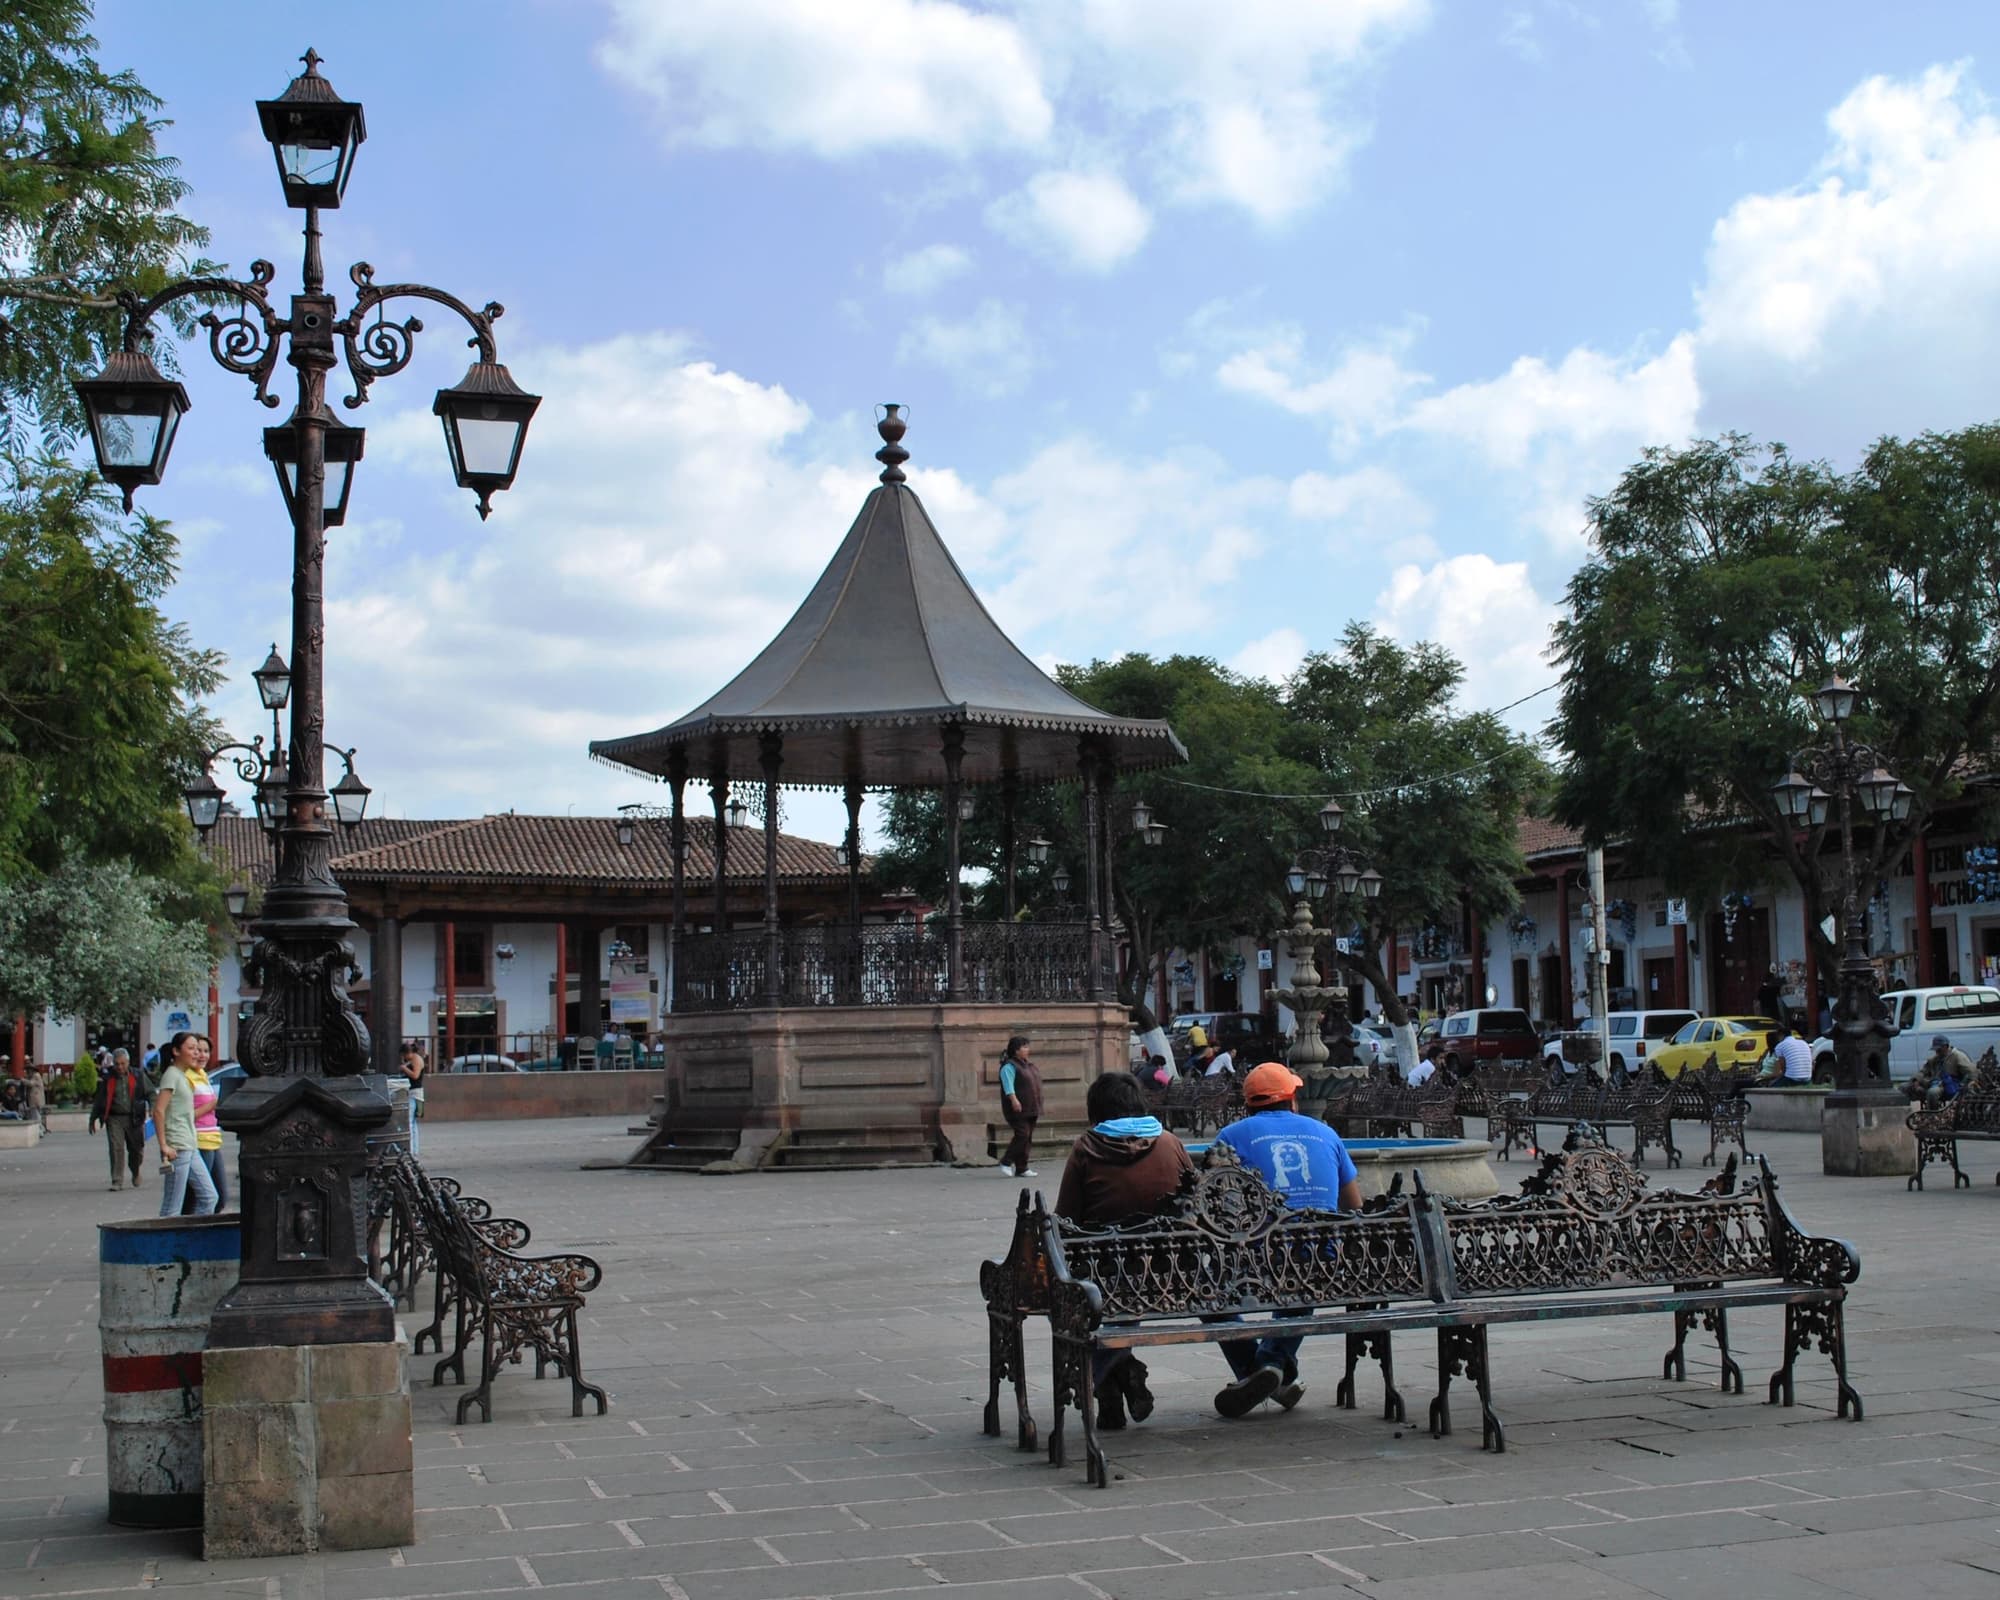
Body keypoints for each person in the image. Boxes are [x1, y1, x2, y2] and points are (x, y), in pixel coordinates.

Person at [1209, 1062, 1362, 1418]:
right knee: (1305, 1265)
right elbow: (1354, 1205)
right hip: (1322, 1260)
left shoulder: (1231, 1135)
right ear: (1293, 1098)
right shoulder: (1324, 1132)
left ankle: (1261, 1368)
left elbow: (1215, 1207)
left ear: (1248, 1105)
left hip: (1258, 1261)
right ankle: (1273, 1366)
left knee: (1212, 1293)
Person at [1054, 1073, 1195, 1430]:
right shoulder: (1171, 1143)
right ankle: (1118, 1385)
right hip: (1172, 1270)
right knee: (1125, 1294)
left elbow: (1067, 1218)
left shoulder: (1086, 1147)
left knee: (1099, 1302)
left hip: (1106, 1271)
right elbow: (1195, 1202)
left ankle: (1117, 1379)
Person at [152, 1032, 218, 1217]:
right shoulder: (171, 1075)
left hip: (190, 1144)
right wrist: (164, 1145)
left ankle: (193, 1240)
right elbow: (158, 1110)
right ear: (176, 1051)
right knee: (172, 1207)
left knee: (209, 1197)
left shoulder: (183, 1076)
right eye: (191, 1049)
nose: (196, 1053)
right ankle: (166, 1244)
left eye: (197, 1049)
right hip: (177, 1146)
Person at [99, 1049, 149, 1190]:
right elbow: (100, 1099)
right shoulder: (109, 1078)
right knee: (116, 1149)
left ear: (128, 1062)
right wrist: (94, 1118)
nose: (120, 1067)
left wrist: (153, 1107)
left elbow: (151, 1093)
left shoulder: (138, 1075)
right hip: (115, 1118)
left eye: (122, 1064)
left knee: (136, 1150)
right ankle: (117, 1180)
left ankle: (135, 1171)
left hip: (134, 1117)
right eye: (117, 1064)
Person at [996, 1034, 1040, 1178]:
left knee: (1028, 1137)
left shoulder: (1028, 1065)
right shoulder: (1009, 1066)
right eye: (1024, 1047)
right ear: (1016, 1050)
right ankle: (1006, 1161)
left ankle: (1022, 1167)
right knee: (1022, 1134)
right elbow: (1008, 1086)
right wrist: (1014, 1100)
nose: (1028, 1049)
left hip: (1031, 1107)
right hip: (1017, 1108)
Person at [1907, 1035, 1973, 1106]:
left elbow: (1970, 1072)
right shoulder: (1935, 1059)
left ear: (1946, 1046)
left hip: (1949, 1085)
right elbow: (1923, 1071)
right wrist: (1916, 1080)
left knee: (1932, 1092)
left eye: (1939, 1049)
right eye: (1936, 1050)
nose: (1937, 1052)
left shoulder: (1958, 1056)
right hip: (1933, 1082)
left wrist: (1963, 1084)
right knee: (1905, 1087)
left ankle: (1932, 1114)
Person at [400, 1043, 428, 1154]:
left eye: (403, 1055)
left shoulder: (416, 1059)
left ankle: (411, 1150)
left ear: (407, 1053)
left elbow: (415, 1075)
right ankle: (414, 1150)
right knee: (413, 1123)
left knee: (410, 1123)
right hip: (414, 1093)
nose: (403, 1058)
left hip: (415, 1093)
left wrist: (404, 1068)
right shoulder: (414, 1059)